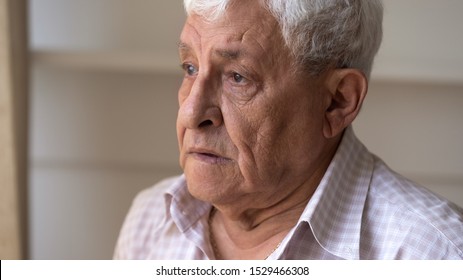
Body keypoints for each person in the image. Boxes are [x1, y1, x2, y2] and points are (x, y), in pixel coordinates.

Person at [114, 0, 463, 259]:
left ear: (337, 102)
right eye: (190, 68)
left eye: (238, 77)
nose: (190, 112)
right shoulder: (150, 222)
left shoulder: (432, 252)